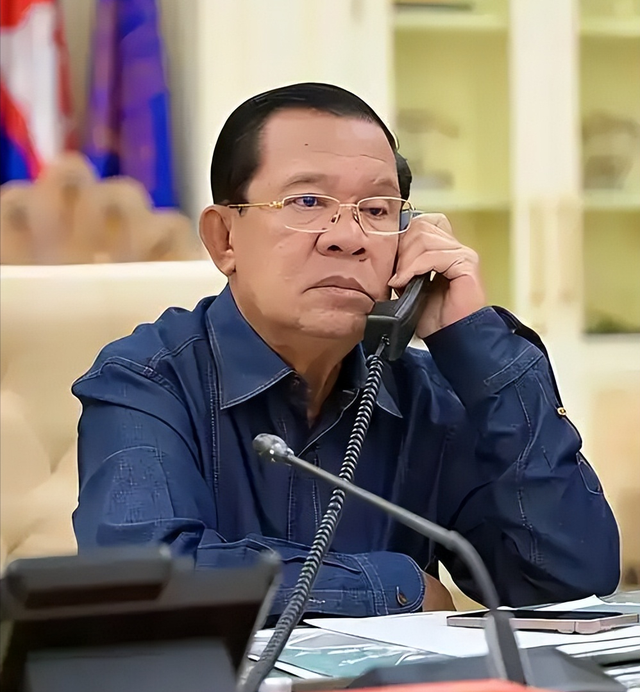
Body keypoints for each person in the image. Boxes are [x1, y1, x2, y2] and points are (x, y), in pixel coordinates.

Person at [73, 83, 620, 617]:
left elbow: (569, 581)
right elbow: (146, 580)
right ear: (224, 239)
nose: (348, 236)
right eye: (307, 201)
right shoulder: (144, 381)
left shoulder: (427, 393)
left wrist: (474, 341)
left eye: (377, 210)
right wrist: (398, 586)